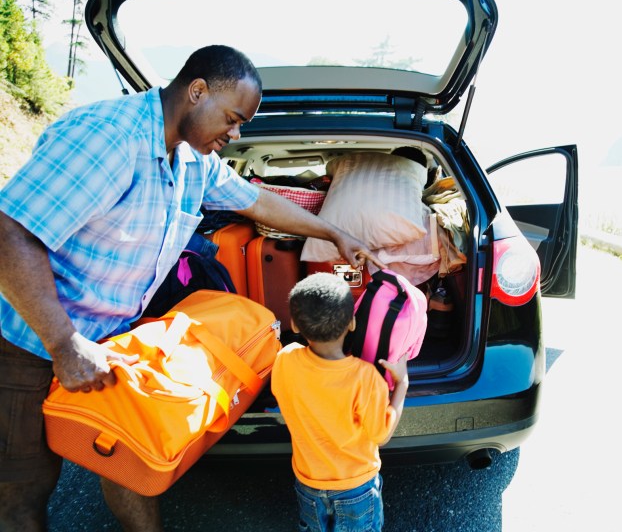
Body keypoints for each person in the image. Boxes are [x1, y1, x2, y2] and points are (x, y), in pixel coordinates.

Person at [0, 44, 383, 532]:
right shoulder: (108, 137)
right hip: (29, 340)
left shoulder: (191, 160)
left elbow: (255, 201)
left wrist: (334, 233)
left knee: (132, 458)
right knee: (23, 488)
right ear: (196, 91)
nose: (236, 133)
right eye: (232, 118)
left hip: (113, 338)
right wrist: (63, 342)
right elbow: (10, 231)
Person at [271, 273, 408, 532]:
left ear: (295, 325)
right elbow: (381, 435)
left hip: (308, 484)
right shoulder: (365, 378)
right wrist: (402, 386)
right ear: (352, 323)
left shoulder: (285, 360)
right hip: (356, 488)